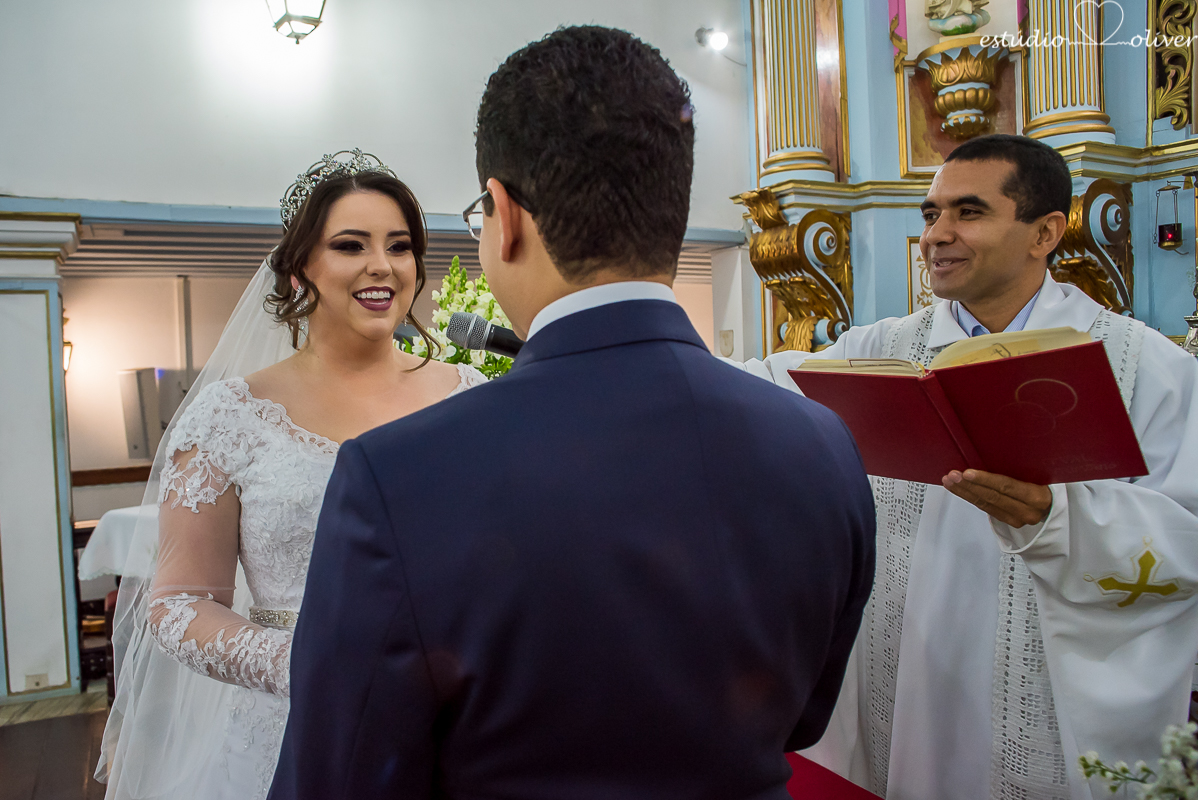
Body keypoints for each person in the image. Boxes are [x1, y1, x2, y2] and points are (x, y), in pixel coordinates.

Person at [269, 26, 875, 800]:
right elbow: (801, 717)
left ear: (504, 215)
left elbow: (341, 779)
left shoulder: (398, 473)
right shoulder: (822, 443)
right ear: (673, 206)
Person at [729, 134, 1198, 800]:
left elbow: (1187, 535)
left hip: (1049, 685)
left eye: (968, 213)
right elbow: (751, 392)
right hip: (911, 666)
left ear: (1046, 232)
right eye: (930, 214)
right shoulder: (883, 349)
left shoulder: (1143, 366)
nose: (937, 235)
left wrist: (1055, 516)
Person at [97, 151, 486, 800]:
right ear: (302, 264)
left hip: (451, 719)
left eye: (399, 246)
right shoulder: (230, 415)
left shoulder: (469, 398)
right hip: (289, 722)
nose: (381, 266)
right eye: (350, 245)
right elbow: (177, 604)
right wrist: (305, 666)